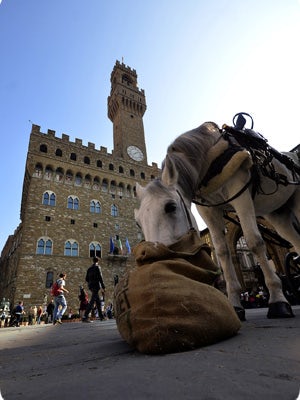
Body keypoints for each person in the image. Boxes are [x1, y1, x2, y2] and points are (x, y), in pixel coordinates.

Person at [82, 257, 105, 323]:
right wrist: (103, 286)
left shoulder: (89, 269)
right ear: (98, 261)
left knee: (98, 302)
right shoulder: (98, 267)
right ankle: (85, 316)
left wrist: (90, 281)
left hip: (91, 286)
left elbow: (86, 279)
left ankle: (101, 317)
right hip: (96, 285)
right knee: (92, 301)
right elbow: (100, 277)